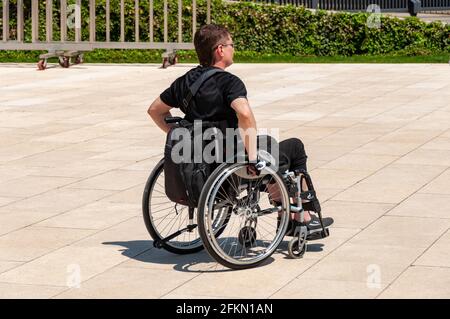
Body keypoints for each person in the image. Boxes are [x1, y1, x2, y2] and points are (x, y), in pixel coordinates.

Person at [147, 24, 332, 234]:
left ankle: (286, 207)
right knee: (292, 148)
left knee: (268, 147)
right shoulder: (229, 82)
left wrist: (182, 140)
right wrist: (252, 157)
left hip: (202, 165)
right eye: (231, 44)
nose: (233, 49)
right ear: (220, 50)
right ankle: (301, 216)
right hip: (230, 167)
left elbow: (155, 110)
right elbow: (244, 114)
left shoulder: (184, 82)